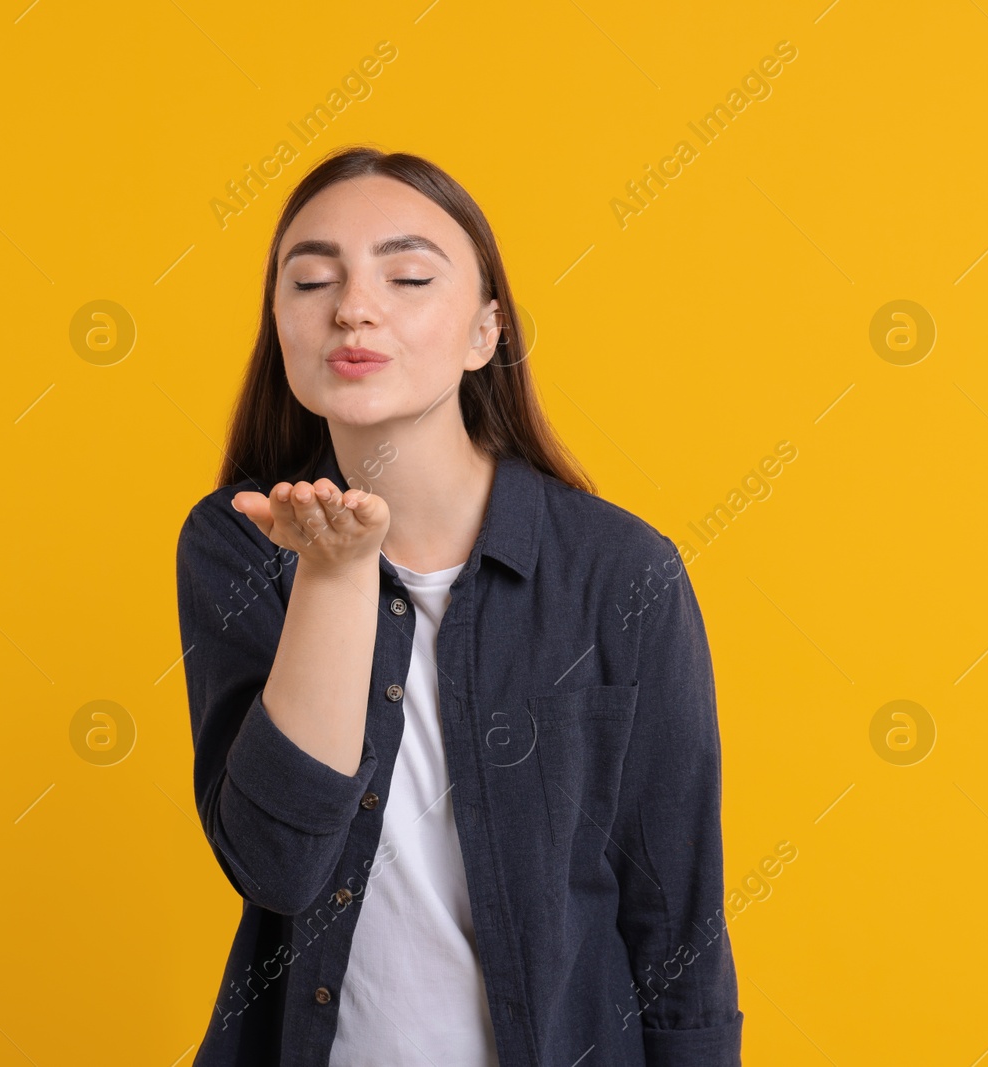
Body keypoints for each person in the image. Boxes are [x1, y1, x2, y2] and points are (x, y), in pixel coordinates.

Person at [174, 145, 743, 1066]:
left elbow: (676, 914)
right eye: (312, 279)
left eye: (406, 276)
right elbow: (277, 865)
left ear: (486, 333)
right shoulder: (238, 543)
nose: (353, 307)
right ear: (279, 326)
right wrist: (335, 576)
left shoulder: (620, 570)